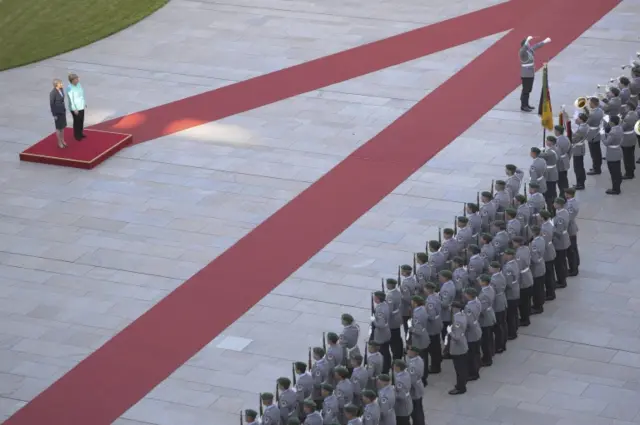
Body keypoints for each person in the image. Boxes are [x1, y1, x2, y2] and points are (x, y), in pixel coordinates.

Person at [518, 35, 551, 112]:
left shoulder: (529, 51)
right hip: (526, 73)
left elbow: (536, 46)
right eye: (528, 44)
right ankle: (523, 105)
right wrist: (527, 40)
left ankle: (526, 104)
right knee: (526, 90)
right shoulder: (522, 52)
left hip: (530, 72)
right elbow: (523, 48)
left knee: (528, 89)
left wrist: (545, 41)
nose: (529, 45)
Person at [447, 309, 469, 395]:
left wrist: (450, 332)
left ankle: (461, 387)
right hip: (463, 346)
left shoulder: (457, 320)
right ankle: (461, 384)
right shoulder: (462, 316)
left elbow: (457, 337)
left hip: (458, 349)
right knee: (462, 368)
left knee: (459, 369)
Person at [602, 115, 623, 195]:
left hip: (612, 153)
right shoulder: (620, 128)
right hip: (618, 150)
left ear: (612, 122)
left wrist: (602, 135)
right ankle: (617, 185)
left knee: (613, 172)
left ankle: (616, 189)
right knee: (617, 170)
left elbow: (606, 143)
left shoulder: (613, 132)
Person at [586, 97, 605, 175]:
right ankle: (596, 167)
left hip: (592, 133)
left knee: (594, 153)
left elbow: (587, 122)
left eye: (590, 103)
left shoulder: (593, 114)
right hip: (597, 131)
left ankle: (596, 169)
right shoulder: (599, 110)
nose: (589, 104)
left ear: (593, 104)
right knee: (597, 151)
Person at [564, 188, 580, 276]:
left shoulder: (570, 205)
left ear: (569, 194)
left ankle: (574, 269)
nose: (565, 195)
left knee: (571, 250)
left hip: (570, 229)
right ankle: (576, 264)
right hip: (571, 227)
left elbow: (568, 218)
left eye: (566, 193)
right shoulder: (573, 202)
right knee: (574, 248)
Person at [571, 113, 589, 190]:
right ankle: (581, 182)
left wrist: (570, 133)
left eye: (577, 118)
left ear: (581, 120)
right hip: (580, 148)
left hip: (578, 149)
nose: (576, 119)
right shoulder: (583, 126)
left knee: (578, 167)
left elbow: (573, 139)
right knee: (580, 166)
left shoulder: (581, 129)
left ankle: (580, 184)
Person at [392, 360, 413, 425]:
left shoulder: (399, 380)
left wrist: (393, 392)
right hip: (408, 402)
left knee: (402, 422)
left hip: (402, 407)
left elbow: (401, 395)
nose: (393, 367)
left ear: (398, 367)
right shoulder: (406, 373)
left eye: (394, 366)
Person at [66, 73, 87, 141]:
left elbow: (82, 94)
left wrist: (84, 103)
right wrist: (74, 109)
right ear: (72, 80)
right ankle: (77, 135)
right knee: (77, 121)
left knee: (81, 120)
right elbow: (71, 99)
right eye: (76, 79)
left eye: (77, 78)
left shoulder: (79, 85)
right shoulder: (69, 88)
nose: (78, 80)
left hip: (81, 106)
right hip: (75, 108)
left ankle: (80, 133)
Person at [621, 102, 638, 179]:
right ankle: (632, 168)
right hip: (632, 136)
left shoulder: (628, 117)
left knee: (627, 157)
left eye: (626, 107)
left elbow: (622, 128)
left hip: (627, 138)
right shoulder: (635, 114)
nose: (625, 108)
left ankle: (629, 173)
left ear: (629, 108)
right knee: (631, 155)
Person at [49, 79, 67, 148]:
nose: (62, 84)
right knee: (58, 128)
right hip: (57, 112)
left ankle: (62, 140)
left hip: (62, 111)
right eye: (60, 83)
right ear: (56, 85)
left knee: (62, 127)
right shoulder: (53, 93)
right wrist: (54, 114)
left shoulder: (61, 89)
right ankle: (59, 142)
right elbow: (52, 104)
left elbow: (62, 100)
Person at [554, 125, 572, 193]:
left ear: (557, 132)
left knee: (561, 181)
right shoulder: (566, 138)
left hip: (560, 163)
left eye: (555, 131)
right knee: (564, 178)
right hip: (565, 160)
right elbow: (570, 150)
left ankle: (563, 195)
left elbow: (557, 154)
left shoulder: (559, 141)